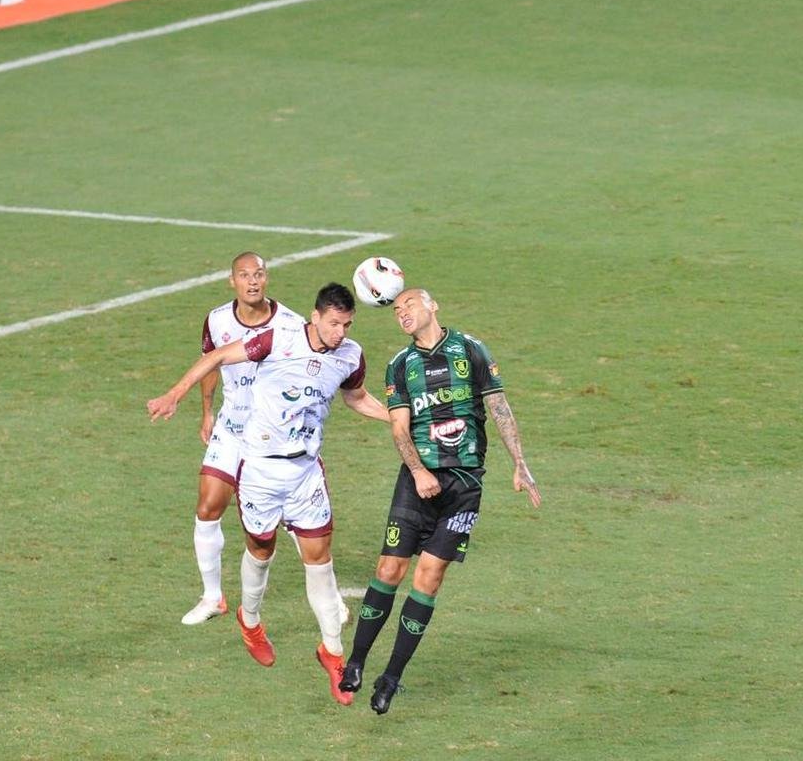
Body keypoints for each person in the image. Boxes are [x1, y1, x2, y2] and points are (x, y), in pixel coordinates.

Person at [148, 282, 389, 705]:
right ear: (315, 317)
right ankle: (250, 619)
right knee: (261, 550)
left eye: (347, 324)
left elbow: (356, 397)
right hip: (259, 469)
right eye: (334, 323)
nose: (340, 332)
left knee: (319, 560)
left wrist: (395, 419)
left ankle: (332, 653)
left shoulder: (350, 355)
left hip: (305, 472)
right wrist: (175, 393)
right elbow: (219, 355)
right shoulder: (279, 339)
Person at [337, 287, 542, 715]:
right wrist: (418, 472)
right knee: (389, 569)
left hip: (465, 485)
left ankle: (390, 677)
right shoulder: (400, 365)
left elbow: (499, 407)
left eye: (409, 304)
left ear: (432, 306)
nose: (402, 313)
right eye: (396, 310)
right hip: (418, 481)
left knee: (428, 579)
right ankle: (355, 662)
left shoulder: (471, 350)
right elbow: (398, 428)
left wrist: (520, 463)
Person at [177, 251, 306, 626]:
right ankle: (213, 597)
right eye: (244, 275)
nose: (252, 281)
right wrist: (206, 410)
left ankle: (324, 589)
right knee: (207, 508)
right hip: (232, 428)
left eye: (259, 274)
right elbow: (211, 364)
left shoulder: (291, 325)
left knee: (293, 518)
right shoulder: (217, 320)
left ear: (267, 279)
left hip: (273, 437)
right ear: (231, 280)